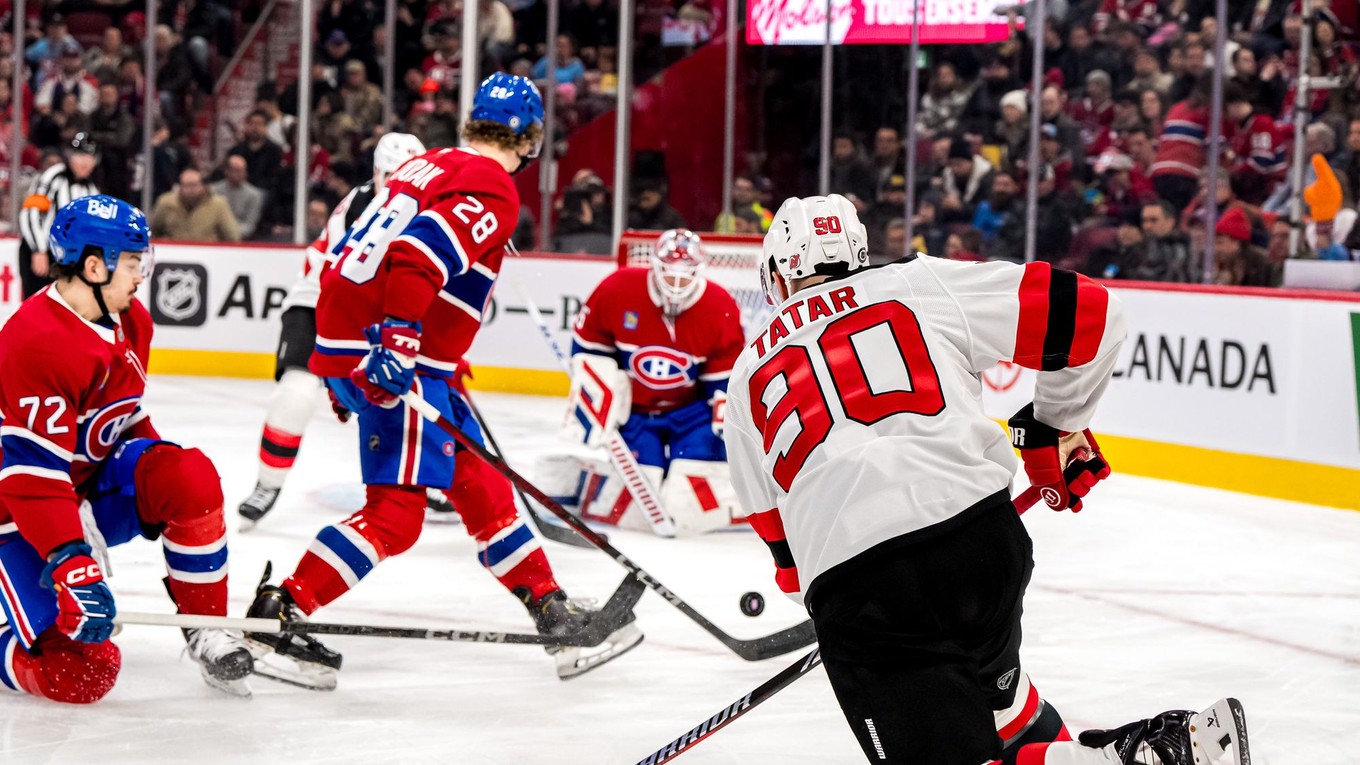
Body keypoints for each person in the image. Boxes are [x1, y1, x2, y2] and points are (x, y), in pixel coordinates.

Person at [723, 193, 1251, 765]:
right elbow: (1096, 317)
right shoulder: (919, 283)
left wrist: (851, 623)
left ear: (776, 272)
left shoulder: (748, 372)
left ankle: (1140, 758)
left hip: (861, 585)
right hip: (982, 542)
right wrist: (1053, 429)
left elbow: (783, 550)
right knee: (1002, 709)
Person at [244, 75, 642, 688]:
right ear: (531, 138)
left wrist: (343, 353)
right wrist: (396, 341)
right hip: (397, 357)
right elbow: (415, 258)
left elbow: (352, 254)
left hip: (375, 348)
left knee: (481, 487)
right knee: (395, 516)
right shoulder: (493, 184)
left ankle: (552, 613)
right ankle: (281, 613)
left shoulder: (429, 166)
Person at [0, 196, 255, 702]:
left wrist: (163, 479)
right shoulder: (34, 341)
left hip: (76, 494)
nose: (142, 275)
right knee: (82, 674)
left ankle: (205, 626)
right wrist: (71, 556)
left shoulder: (131, 319)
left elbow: (122, 416)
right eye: (134, 262)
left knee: (188, 475)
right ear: (95, 265)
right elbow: (30, 476)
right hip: (15, 515)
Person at [237, 132, 437, 530]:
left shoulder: (428, 207)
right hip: (317, 303)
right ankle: (268, 483)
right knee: (296, 393)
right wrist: (340, 368)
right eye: (393, 176)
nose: (402, 186)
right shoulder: (359, 210)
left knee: (421, 390)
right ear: (377, 174)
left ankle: (428, 478)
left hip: (370, 308)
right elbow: (341, 287)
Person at [543, 230, 746, 534]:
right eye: (669, 273)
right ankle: (576, 480)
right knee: (636, 505)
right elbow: (588, 353)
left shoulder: (720, 305)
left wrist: (724, 426)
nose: (676, 284)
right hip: (636, 411)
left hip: (689, 414)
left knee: (688, 504)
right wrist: (599, 398)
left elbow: (724, 384)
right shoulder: (617, 289)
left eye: (686, 274)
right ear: (654, 265)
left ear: (700, 271)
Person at [18, 133, 100, 299]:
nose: (85, 162)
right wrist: (38, 249)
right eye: (80, 156)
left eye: (90, 157)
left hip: (68, 260)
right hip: (42, 253)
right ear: (69, 156)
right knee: (37, 307)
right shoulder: (54, 176)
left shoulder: (91, 189)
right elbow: (30, 212)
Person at [150, 168, 242, 243]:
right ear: (180, 186)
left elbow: (232, 236)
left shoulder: (218, 204)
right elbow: (153, 230)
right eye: (186, 185)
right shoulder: (166, 202)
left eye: (193, 185)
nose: (190, 190)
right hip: (174, 256)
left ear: (202, 185)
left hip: (208, 255)